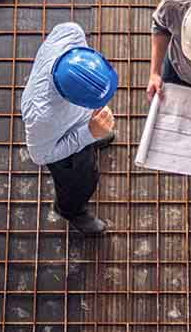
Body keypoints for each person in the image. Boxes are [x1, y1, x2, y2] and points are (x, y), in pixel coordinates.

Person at [21, 22, 118, 236]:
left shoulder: (70, 34)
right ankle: (70, 210)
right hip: (59, 140)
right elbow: (40, 155)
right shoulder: (43, 117)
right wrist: (87, 134)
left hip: (76, 122)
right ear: (71, 99)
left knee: (91, 142)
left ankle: (93, 137)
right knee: (81, 182)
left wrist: (91, 125)